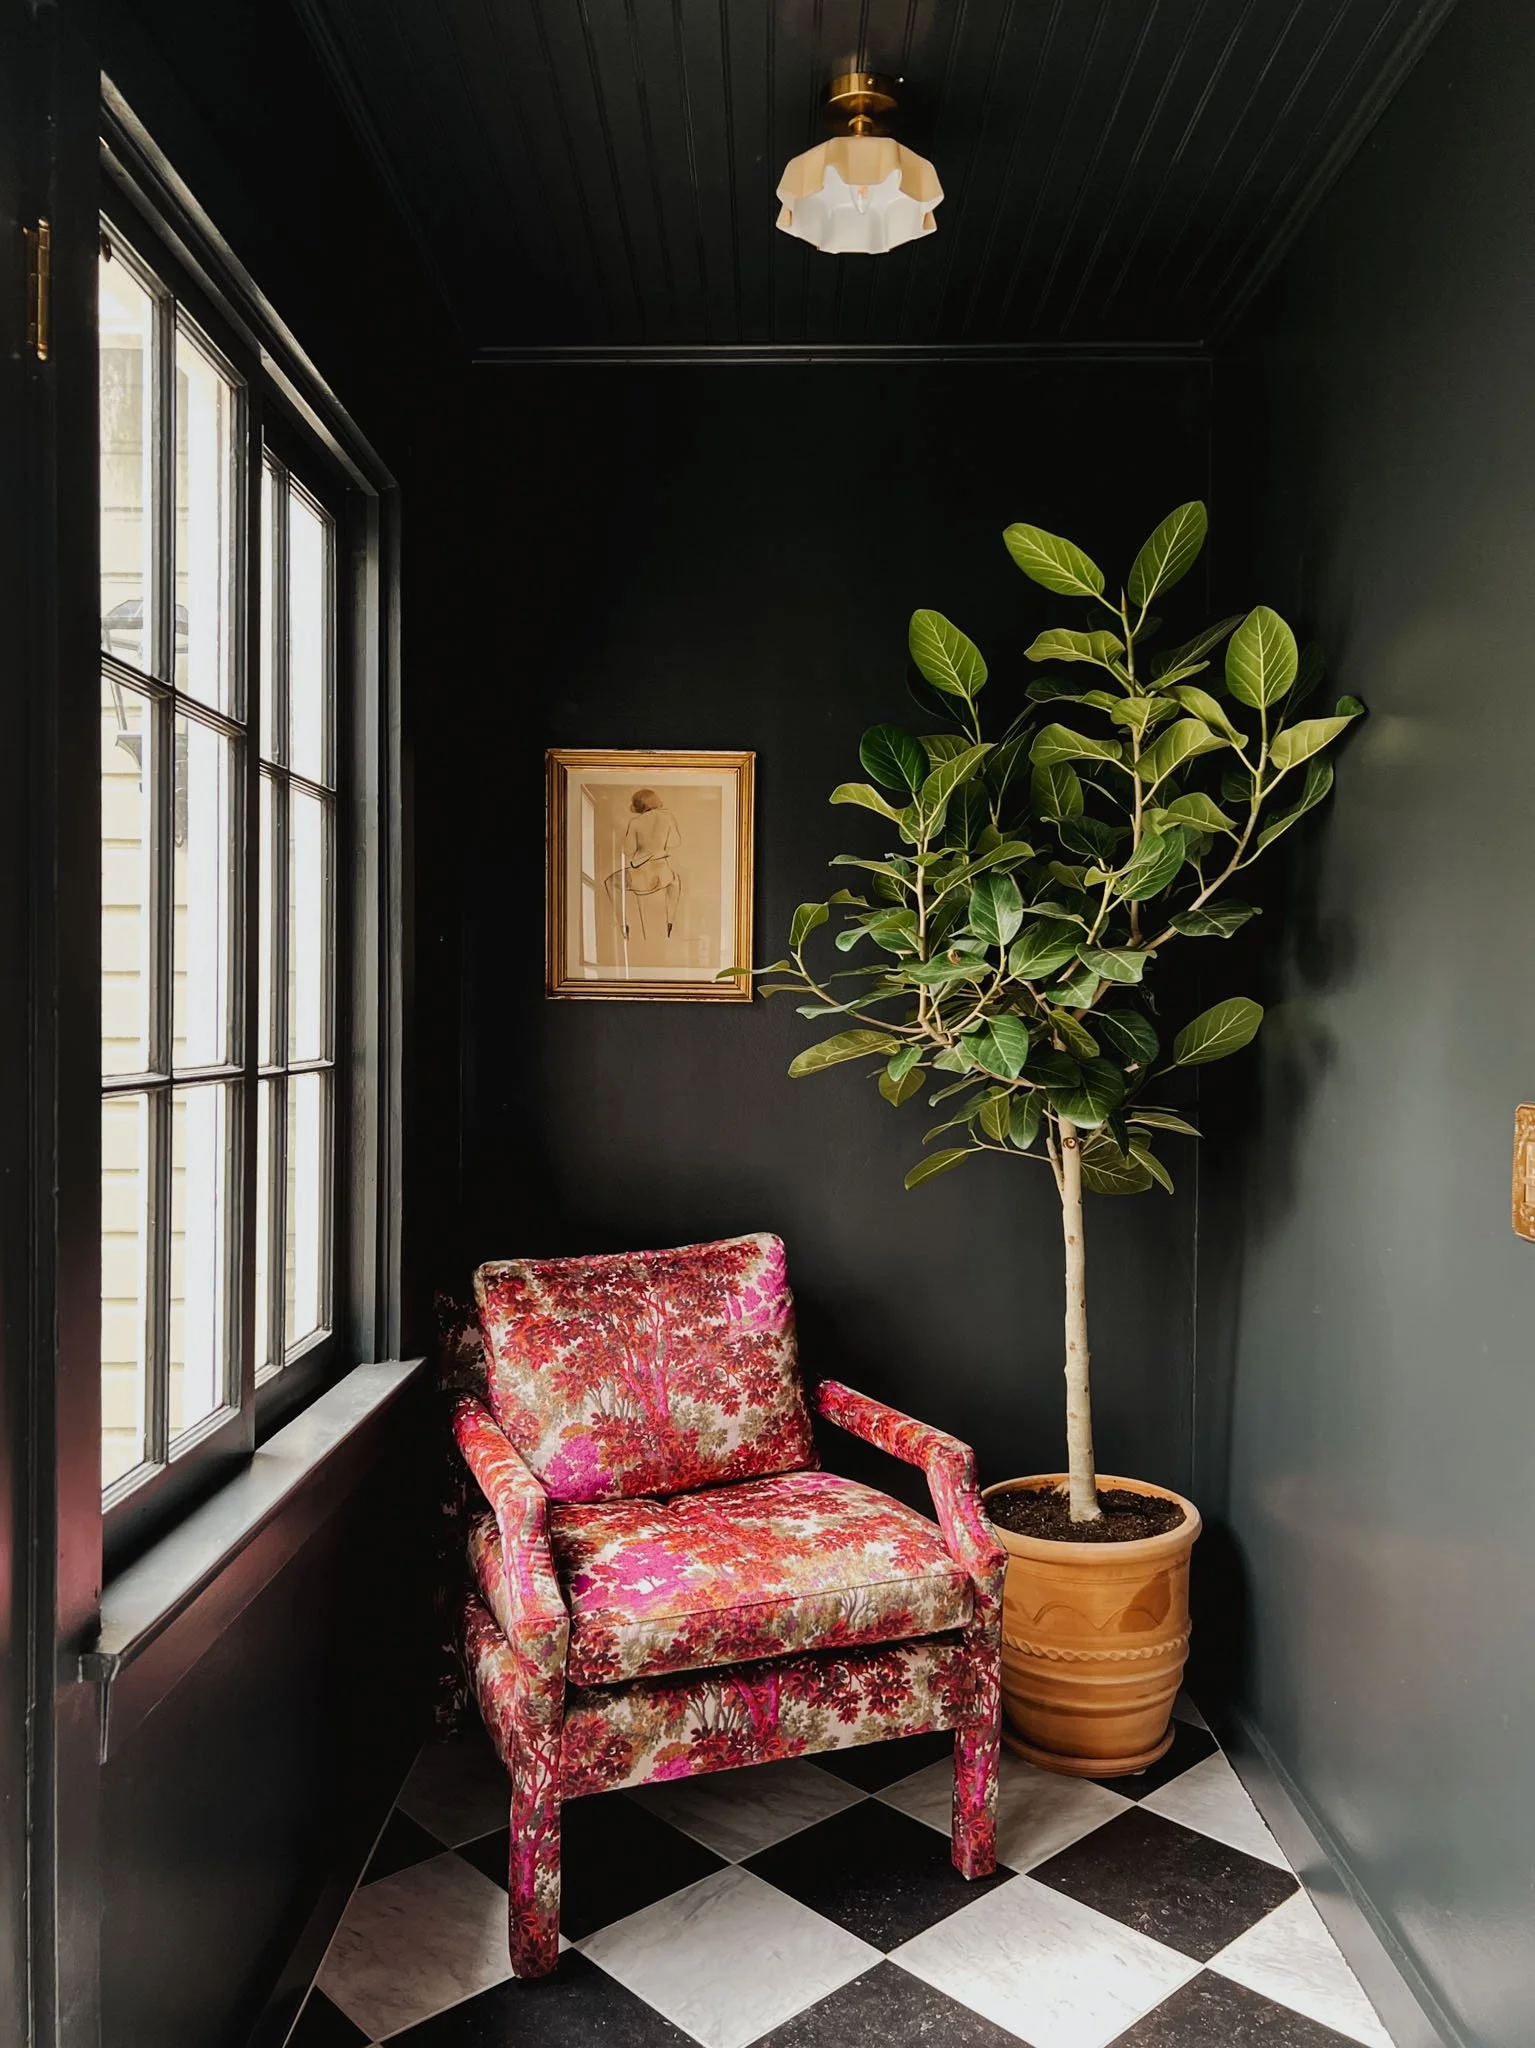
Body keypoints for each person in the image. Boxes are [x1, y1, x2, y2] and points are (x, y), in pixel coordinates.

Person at [604, 788, 681, 939]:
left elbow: (627, 850)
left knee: (610, 882)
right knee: (676, 880)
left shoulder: (635, 822)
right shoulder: (669, 817)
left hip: (641, 878)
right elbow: (676, 841)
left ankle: (623, 925)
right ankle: (670, 921)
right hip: (663, 874)